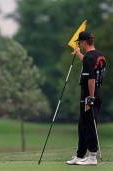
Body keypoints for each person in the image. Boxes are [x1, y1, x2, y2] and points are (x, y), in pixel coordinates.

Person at [66, 31, 106, 165]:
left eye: (79, 43)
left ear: (84, 42)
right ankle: (80, 154)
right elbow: (88, 63)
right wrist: (77, 53)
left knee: (89, 124)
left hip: (89, 94)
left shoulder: (90, 57)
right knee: (82, 124)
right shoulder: (98, 55)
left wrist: (90, 97)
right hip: (96, 93)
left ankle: (92, 156)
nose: (79, 44)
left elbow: (91, 78)